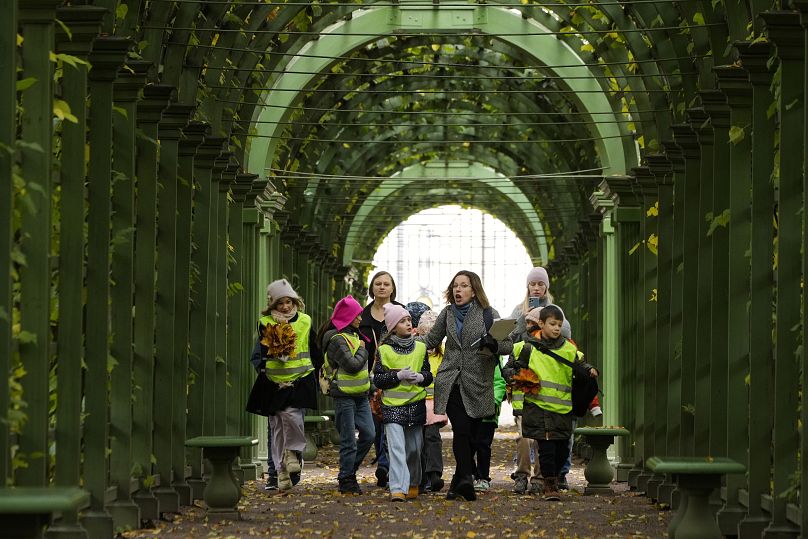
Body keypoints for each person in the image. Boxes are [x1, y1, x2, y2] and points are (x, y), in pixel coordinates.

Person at [420, 270, 513, 501]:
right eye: (455, 286)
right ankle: (466, 481)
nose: (458, 290)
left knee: (471, 436)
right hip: (450, 380)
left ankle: (457, 483)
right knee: (461, 430)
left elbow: (508, 345)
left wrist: (493, 344)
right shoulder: (448, 313)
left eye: (464, 286)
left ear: (474, 290)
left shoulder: (489, 315)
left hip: (479, 382)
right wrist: (401, 342)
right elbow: (431, 340)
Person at [511, 304, 597, 501]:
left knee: (561, 450)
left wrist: (590, 370)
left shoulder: (569, 349)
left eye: (559, 325)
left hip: (563, 409)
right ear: (541, 324)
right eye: (553, 324)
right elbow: (511, 366)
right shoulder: (527, 347)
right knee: (547, 448)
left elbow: (581, 364)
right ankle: (550, 485)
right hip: (538, 407)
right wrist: (518, 377)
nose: (557, 328)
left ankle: (554, 478)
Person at [250, 279, 319, 491]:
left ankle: (291, 453)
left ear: (294, 301)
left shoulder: (305, 321)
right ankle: (281, 471)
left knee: (293, 417)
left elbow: (313, 348)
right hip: (274, 381)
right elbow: (259, 353)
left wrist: (321, 371)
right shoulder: (265, 324)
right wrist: (262, 367)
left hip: (301, 378)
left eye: (288, 301)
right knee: (277, 427)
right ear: (273, 305)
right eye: (280, 303)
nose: (285, 307)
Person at [373, 304, 433, 501]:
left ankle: (414, 482)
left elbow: (428, 375)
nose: (408, 323)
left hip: (415, 405)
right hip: (392, 408)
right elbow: (378, 380)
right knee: (396, 449)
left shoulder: (421, 348)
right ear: (392, 327)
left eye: (408, 320)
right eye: (402, 321)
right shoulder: (384, 351)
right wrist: (397, 376)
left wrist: (420, 377)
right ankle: (397, 487)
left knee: (415, 449)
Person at [320, 295, 375, 494]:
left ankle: (349, 472)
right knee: (348, 441)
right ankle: (347, 479)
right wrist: (363, 350)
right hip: (344, 395)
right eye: (357, 315)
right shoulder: (337, 340)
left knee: (369, 434)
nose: (361, 318)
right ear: (348, 316)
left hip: (361, 395)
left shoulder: (353, 336)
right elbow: (352, 366)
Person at [358, 271, 405, 488]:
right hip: (368, 377)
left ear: (392, 288)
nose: (382, 287)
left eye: (386, 284)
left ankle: (385, 465)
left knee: (392, 420)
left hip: (394, 374)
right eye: (378, 283)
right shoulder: (362, 316)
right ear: (372, 288)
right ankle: (383, 460)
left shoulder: (400, 313)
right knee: (376, 423)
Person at [556, 318, 603, 490]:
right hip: (565, 404)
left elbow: (585, 379)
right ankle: (558, 474)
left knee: (565, 440)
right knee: (565, 440)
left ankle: (560, 473)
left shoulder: (573, 353)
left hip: (568, 404)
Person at [503, 307, 544, 495]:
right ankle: (522, 475)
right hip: (523, 403)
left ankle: (539, 478)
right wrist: (520, 376)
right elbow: (507, 370)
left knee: (541, 441)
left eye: (532, 322)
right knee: (524, 440)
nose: (528, 326)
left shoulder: (552, 349)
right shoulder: (519, 347)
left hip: (544, 403)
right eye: (526, 322)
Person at [412, 308, 447, 493]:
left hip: (434, 405)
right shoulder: (417, 354)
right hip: (417, 402)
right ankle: (421, 477)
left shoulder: (443, 356)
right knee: (418, 441)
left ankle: (434, 475)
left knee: (432, 437)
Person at [471, 360, 506, 492]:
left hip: (487, 414)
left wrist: (493, 403)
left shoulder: (492, 360)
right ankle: (470, 474)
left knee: (483, 445)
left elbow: (499, 382)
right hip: (469, 411)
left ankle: (483, 477)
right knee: (467, 444)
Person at [510, 266, 554, 341]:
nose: (536, 288)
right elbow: (509, 339)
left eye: (540, 284)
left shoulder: (554, 310)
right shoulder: (518, 310)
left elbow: (564, 335)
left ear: (546, 287)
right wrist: (523, 319)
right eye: (532, 284)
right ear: (528, 287)